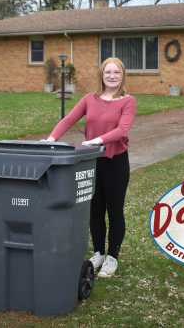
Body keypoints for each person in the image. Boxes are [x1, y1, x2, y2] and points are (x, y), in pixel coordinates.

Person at [43, 57, 136, 278]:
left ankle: (112, 258)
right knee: (94, 210)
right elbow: (68, 120)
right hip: (91, 162)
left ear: (122, 76)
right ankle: (98, 254)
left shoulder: (128, 101)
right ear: (101, 74)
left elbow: (122, 130)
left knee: (114, 211)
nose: (111, 76)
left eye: (116, 72)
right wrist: (51, 139)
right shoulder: (89, 99)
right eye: (107, 72)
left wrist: (97, 141)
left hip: (115, 162)